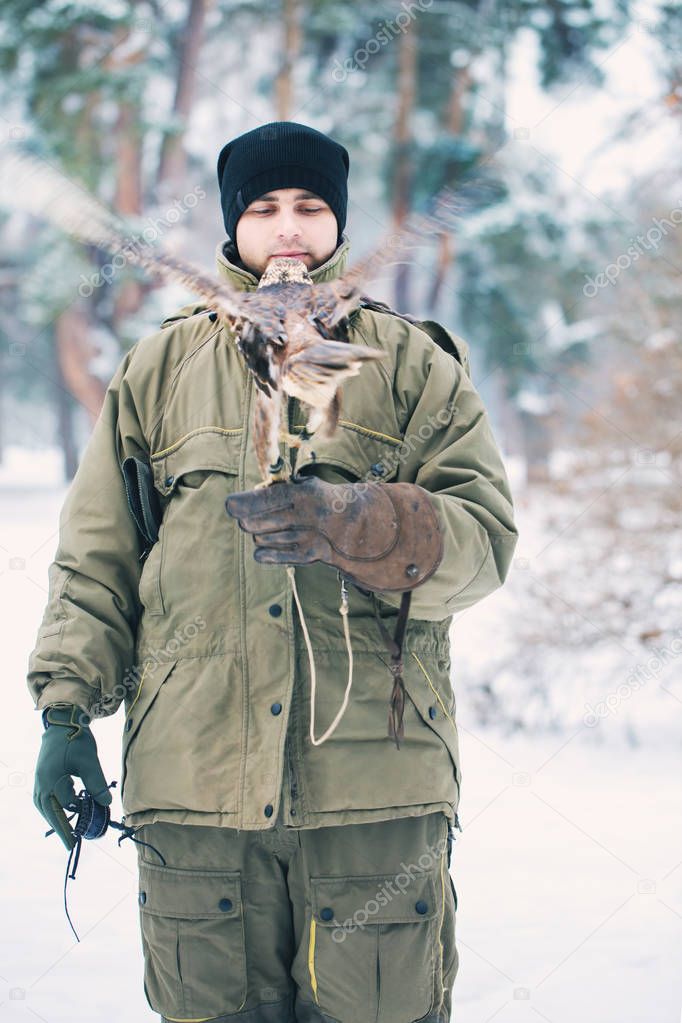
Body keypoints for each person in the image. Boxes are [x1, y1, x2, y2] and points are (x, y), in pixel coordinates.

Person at [28, 120, 518, 1022]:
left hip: (374, 792)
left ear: (338, 222)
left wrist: (354, 519)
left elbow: (484, 541)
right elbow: (96, 555)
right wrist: (66, 710)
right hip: (195, 792)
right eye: (264, 208)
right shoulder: (159, 368)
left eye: (309, 206)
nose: (288, 227)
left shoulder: (412, 364)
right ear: (232, 225)